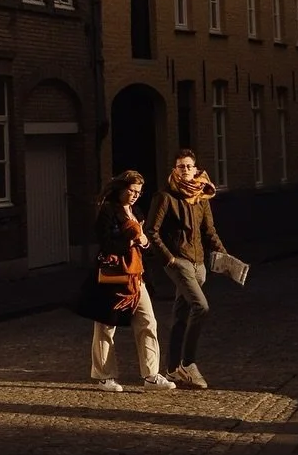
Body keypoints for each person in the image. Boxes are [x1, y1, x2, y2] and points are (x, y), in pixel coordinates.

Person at [81, 169, 178, 392]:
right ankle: (104, 376)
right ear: (122, 188)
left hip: (136, 275)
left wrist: (144, 243)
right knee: (106, 324)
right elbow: (106, 243)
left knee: (147, 321)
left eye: (139, 192)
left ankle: (151, 376)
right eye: (132, 190)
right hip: (113, 275)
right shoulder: (107, 211)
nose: (135, 195)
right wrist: (132, 240)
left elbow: (146, 243)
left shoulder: (137, 211)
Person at [144, 148, 229, 389]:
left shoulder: (201, 197)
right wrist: (169, 259)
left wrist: (223, 254)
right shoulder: (165, 197)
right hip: (178, 262)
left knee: (181, 316)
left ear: (196, 169)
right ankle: (189, 363)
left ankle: (172, 370)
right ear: (175, 170)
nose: (186, 170)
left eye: (189, 166)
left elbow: (209, 230)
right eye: (181, 166)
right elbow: (152, 230)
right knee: (200, 307)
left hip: (199, 263)